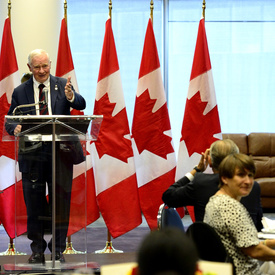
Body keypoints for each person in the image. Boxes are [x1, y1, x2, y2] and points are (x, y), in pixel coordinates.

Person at [5, 49, 86, 264]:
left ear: (50, 64)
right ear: (29, 68)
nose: (42, 71)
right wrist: (15, 127)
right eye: (37, 67)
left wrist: (71, 96)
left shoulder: (62, 85)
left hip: (60, 154)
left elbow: (80, 104)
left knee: (61, 204)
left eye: (45, 66)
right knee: (34, 205)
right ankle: (38, 249)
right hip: (32, 156)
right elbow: (9, 120)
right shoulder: (20, 91)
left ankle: (58, 249)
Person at [162, 139, 263, 231]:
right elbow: (258, 225)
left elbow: (168, 197)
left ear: (209, 161)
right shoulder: (252, 186)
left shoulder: (201, 182)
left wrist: (196, 170)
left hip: (207, 248)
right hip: (246, 248)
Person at [204, 153, 275, 275]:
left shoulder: (215, 200)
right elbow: (254, 251)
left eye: (250, 175)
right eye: (241, 175)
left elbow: (246, 242)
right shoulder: (230, 207)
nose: (248, 181)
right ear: (225, 178)